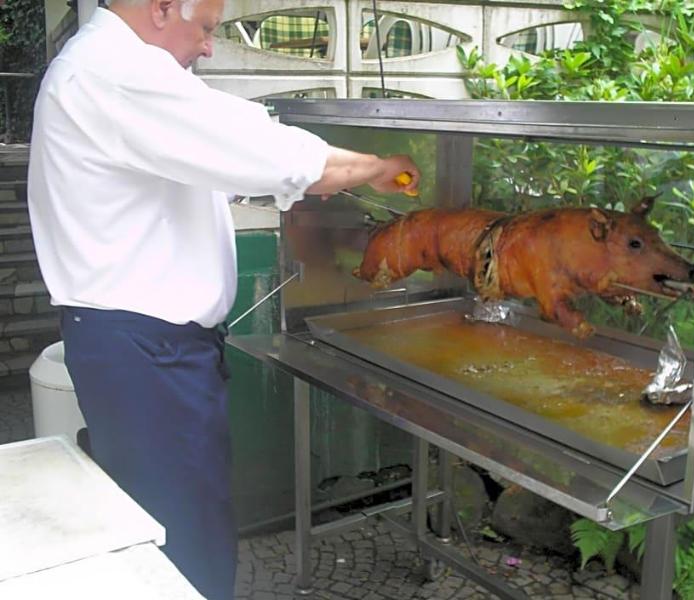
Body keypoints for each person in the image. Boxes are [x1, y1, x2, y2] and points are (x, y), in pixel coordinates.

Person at [26, 0, 420, 598]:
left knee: (176, 518)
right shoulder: (114, 71)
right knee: (183, 538)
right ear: (162, 8)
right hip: (147, 354)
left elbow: (214, 150)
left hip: (145, 348)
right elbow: (257, 147)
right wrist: (373, 167)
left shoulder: (104, 67)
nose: (209, 46)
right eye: (207, 28)